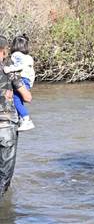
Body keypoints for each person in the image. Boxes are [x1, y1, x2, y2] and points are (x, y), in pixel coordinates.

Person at [0, 35, 32, 198]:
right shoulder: (10, 70)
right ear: (4, 51)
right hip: (6, 126)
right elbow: (27, 97)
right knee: (4, 177)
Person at [3, 34, 35, 131]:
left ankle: (26, 119)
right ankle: (23, 119)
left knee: (16, 100)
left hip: (22, 78)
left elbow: (21, 66)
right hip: (28, 80)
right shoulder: (29, 57)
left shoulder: (15, 55)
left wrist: (9, 69)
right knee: (19, 101)